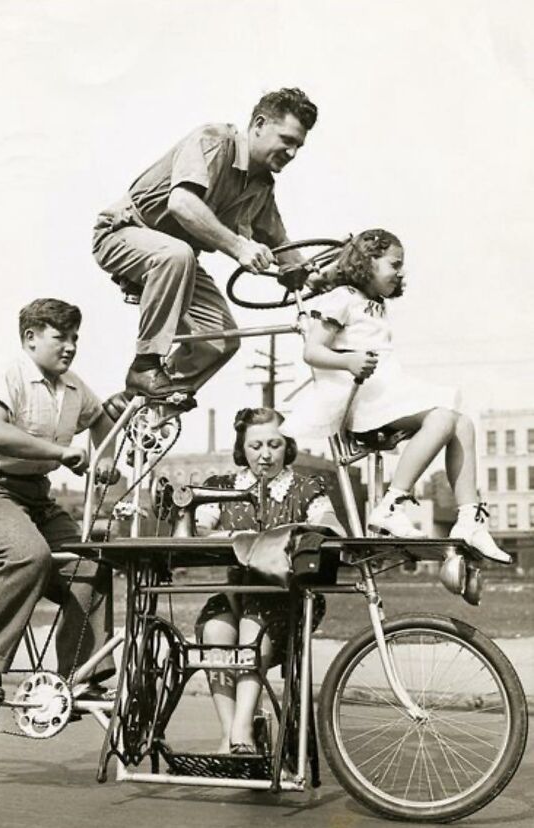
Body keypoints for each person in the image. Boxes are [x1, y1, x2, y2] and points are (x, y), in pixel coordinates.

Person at [283, 228, 511, 563]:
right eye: (394, 264)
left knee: (463, 423)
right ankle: (391, 504)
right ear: (368, 262)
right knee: (443, 416)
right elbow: (312, 351)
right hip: (360, 399)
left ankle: (469, 520)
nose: (400, 272)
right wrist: (349, 360)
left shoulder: (373, 302)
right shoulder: (342, 298)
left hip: (385, 392)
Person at [0, 298, 120, 701]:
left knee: (90, 565)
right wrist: (59, 452)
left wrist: (104, 459)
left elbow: (101, 420)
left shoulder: (74, 387)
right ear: (30, 337)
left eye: (75, 338)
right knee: (28, 555)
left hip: (33, 495)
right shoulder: (7, 372)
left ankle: (79, 676)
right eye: (61, 337)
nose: (70, 346)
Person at [92, 87, 318, 403]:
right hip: (124, 232)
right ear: (259, 124)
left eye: (298, 146)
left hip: (176, 260)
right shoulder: (214, 141)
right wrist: (240, 247)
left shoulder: (261, 185)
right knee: (177, 254)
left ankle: (143, 407)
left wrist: (316, 275)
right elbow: (182, 203)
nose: (292, 153)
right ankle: (145, 365)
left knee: (221, 341)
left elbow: (281, 244)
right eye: (287, 140)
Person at [194, 407, 344, 754]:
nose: (265, 455)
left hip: (288, 597)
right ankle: (228, 733)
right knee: (214, 630)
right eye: (256, 445)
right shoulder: (222, 488)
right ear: (242, 448)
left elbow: (331, 527)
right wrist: (229, 535)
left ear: (287, 446)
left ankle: (243, 730)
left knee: (252, 627)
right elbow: (198, 530)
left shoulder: (306, 488)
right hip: (236, 593)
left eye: (274, 445)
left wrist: (292, 533)